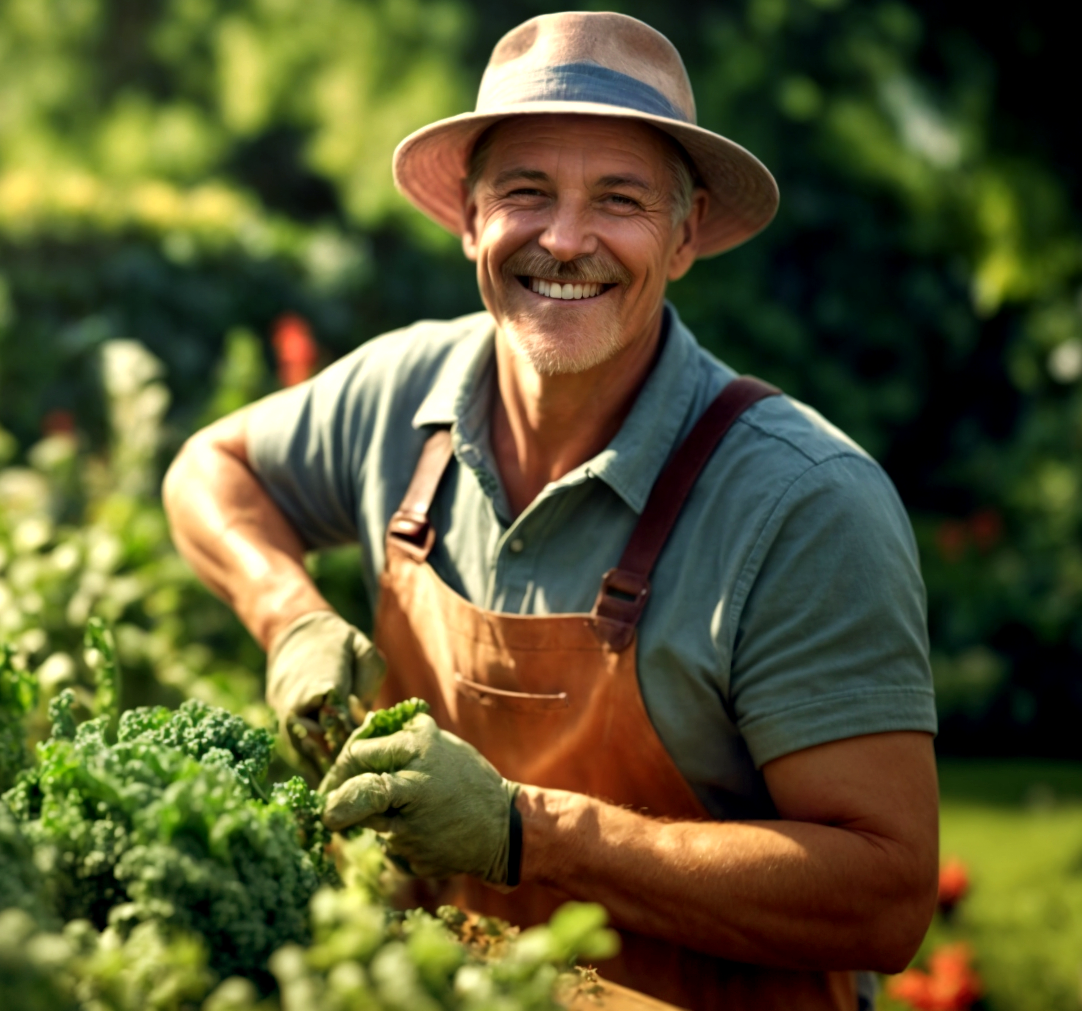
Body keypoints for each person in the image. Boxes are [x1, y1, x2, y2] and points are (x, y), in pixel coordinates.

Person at [163, 11, 938, 1011]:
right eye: (526, 193)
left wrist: (528, 835)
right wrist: (289, 616)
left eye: (619, 199)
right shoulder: (403, 395)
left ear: (685, 232)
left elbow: (884, 897)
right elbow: (208, 467)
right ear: (469, 220)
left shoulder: (803, 503)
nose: (565, 241)